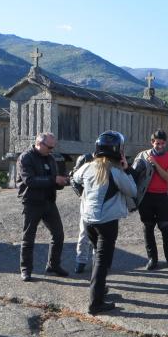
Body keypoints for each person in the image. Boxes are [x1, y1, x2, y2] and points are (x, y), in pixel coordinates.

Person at [71, 131, 137, 314]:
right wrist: (127, 168)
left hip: (88, 220)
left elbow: (74, 179)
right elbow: (132, 190)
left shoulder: (87, 167)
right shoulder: (115, 171)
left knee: (98, 257)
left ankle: (99, 289)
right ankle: (95, 303)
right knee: (102, 260)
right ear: (118, 150)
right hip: (107, 222)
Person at [16, 132, 70, 282]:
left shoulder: (50, 158)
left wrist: (62, 182)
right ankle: (25, 269)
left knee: (58, 234)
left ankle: (53, 265)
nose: (51, 150)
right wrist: (54, 179)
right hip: (32, 202)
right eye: (49, 147)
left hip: (48, 202)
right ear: (39, 143)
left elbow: (53, 180)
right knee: (28, 237)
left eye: (53, 147)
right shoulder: (26, 157)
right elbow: (30, 181)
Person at [133, 130, 168, 269]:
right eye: (157, 143)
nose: (160, 146)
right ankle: (152, 259)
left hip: (161, 197)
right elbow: (134, 175)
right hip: (146, 197)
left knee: (166, 228)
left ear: (166, 143)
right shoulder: (142, 155)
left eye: (162, 143)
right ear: (152, 142)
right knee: (148, 228)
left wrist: (155, 163)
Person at [69, 151, 94, 273]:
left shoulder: (108, 161)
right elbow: (73, 177)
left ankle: (97, 262)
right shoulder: (85, 158)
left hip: (102, 203)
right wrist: (81, 194)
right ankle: (81, 261)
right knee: (84, 233)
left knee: (100, 235)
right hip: (87, 202)